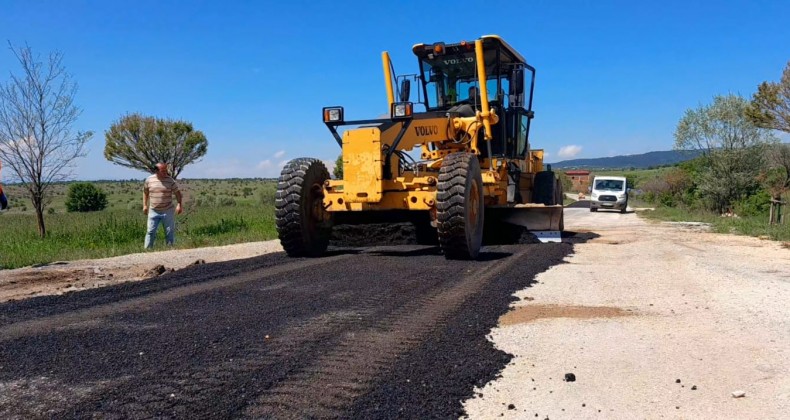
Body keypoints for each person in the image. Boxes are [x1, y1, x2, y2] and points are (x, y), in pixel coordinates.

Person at [143, 162, 182, 248]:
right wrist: (145, 205)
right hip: (153, 210)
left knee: (169, 231)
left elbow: (178, 193)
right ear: (156, 171)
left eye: (166, 170)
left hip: (167, 210)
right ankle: (147, 251)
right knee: (150, 231)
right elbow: (145, 192)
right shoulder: (149, 180)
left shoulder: (170, 180)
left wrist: (179, 204)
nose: (165, 172)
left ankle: (170, 249)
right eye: (163, 171)